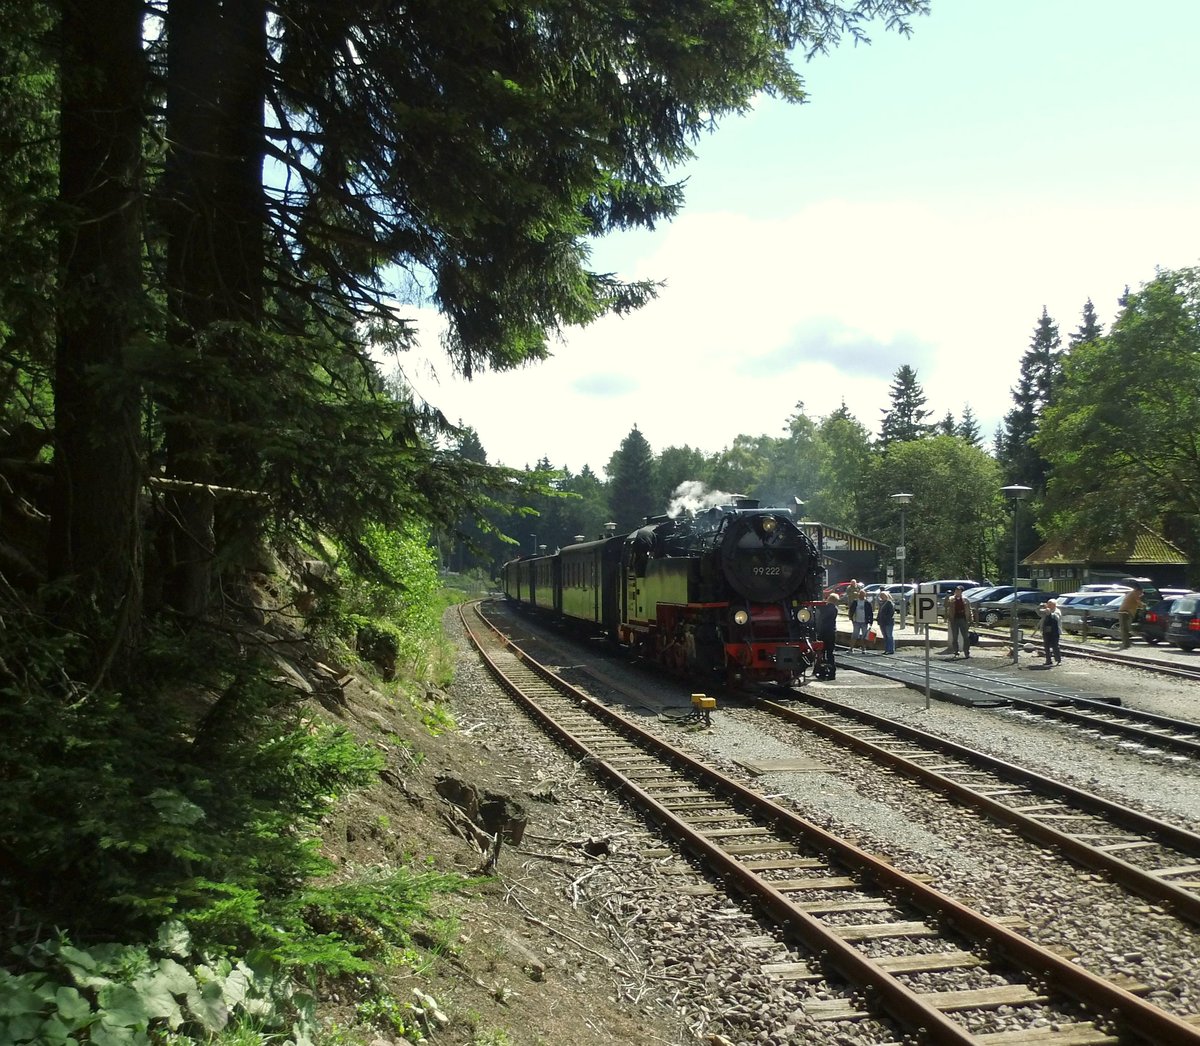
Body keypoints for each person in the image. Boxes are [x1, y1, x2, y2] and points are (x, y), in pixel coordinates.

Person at [944, 585, 974, 658]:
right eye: (956, 591)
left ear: (961, 592)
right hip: (954, 619)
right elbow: (946, 605)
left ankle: (966, 652)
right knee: (955, 636)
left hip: (963, 619)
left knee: (965, 636)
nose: (957, 592)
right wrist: (947, 598)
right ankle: (956, 651)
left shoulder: (965, 599)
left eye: (959, 591)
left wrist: (971, 618)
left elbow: (969, 609)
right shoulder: (951, 599)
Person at [816, 592, 840, 679]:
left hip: (825, 632)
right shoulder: (834, 608)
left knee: (823, 653)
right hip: (831, 632)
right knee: (829, 653)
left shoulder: (829, 608)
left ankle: (824, 672)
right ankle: (830, 672)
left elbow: (823, 616)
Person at [1118, 584, 1144, 649]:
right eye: (1141, 592)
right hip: (1126, 612)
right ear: (1138, 590)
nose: (1141, 593)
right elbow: (1139, 603)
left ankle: (1126, 643)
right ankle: (1126, 644)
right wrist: (1144, 606)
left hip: (1123, 611)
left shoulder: (1130, 593)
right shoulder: (1135, 594)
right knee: (1125, 629)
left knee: (1124, 629)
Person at [1039, 598, 1062, 665]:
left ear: (1054, 605)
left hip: (1054, 631)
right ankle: (1048, 660)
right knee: (1046, 646)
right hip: (1046, 630)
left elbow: (1056, 617)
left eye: (1051, 605)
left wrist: (1050, 613)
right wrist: (1040, 606)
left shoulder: (1057, 611)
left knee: (1055, 646)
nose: (1049, 606)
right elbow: (1038, 612)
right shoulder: (1045, 611)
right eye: (1048, 604)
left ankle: (1058, 660)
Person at [877, 589, 896, 654]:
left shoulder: (889, 603)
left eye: (883, 596)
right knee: (885, 636)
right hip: (882, 622)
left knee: (889, 636)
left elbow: (891, 613)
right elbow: (879, 612)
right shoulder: (881, 603)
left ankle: (890, 649)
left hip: (888, 622)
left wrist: (885, 618)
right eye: (881, 596)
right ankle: (886, 649)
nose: (882, 597)